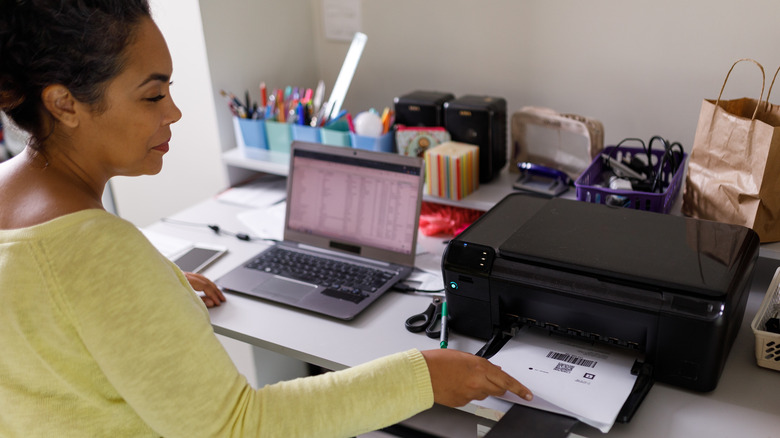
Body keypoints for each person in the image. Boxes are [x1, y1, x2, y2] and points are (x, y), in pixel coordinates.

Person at [0, 1, 532, 437]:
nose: (174, 111)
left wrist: (152, 288)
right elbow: (237, 426)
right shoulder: (98, 255)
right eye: (153, 94)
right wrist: (423, 377)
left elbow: (52, 311)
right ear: (64, 103)